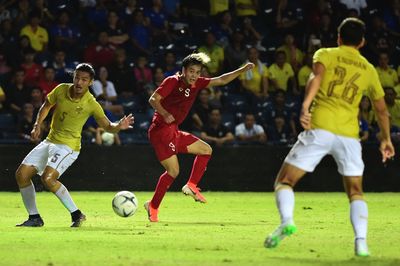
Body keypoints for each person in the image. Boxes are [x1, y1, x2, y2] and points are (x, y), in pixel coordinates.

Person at [264, 18, 395, 257]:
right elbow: (382, 109)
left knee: (285, 181)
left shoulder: (326, 53)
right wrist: (386, 139)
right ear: (362, 42)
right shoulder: (368, 69)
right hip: (349, 135)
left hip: (321, 126)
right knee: (356, 191)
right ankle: (361, 243)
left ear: (338, 37)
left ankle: (287, 222)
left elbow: (316, 78)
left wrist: (305, 106)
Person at [15, 63, 134, 228]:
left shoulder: (91, 103)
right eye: (77, 77)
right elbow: (46, 105)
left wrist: (118, 126)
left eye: (84, 79)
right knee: (21, 175)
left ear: (90, 82)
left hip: (68, 147)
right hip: (50, 140)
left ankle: (76, 214)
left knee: (47, 179)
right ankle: (34, 217)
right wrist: (37, 125)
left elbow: (107, 126)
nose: (79, 82)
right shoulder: (61, 89)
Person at [144, 52, 254, 222]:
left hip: (173, 130)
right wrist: (165, 113)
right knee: (173, 171)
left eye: (197, 72)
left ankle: (191, 185)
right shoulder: (172, 81)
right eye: (191, 71)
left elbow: (222, 80)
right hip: (161, 131)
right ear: (183, 70)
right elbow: (153, 99)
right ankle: (153, 206)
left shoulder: (197, 83)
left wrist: (242, 70)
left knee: (205, 150)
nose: (194, 75)